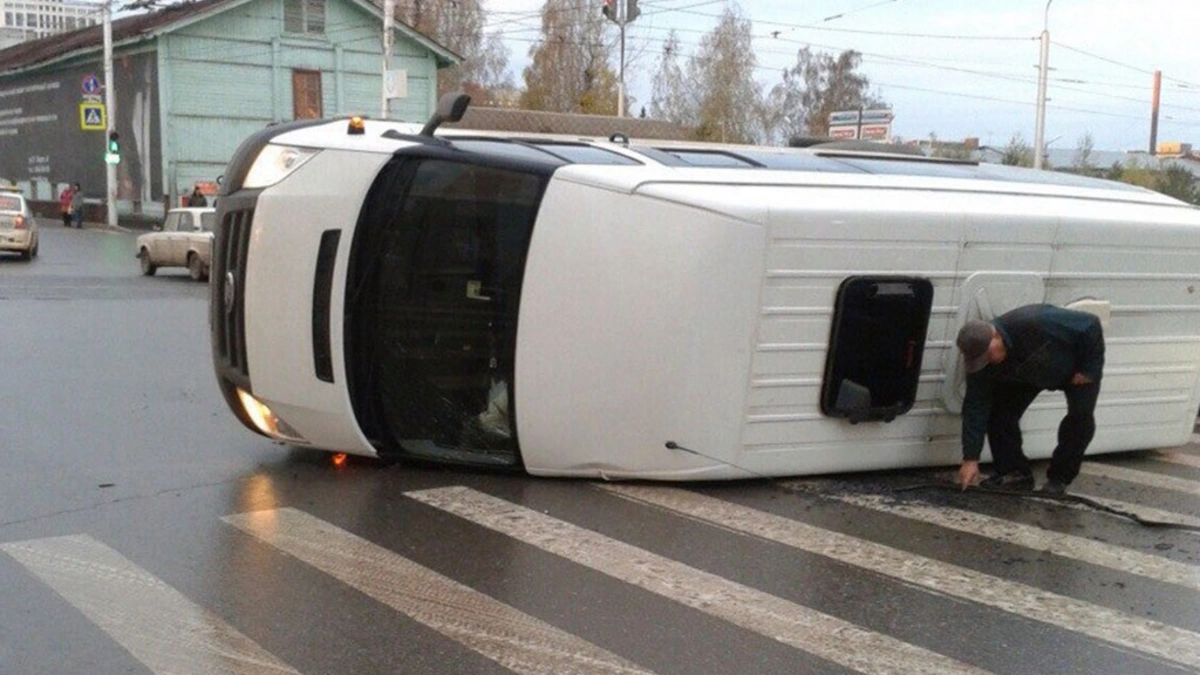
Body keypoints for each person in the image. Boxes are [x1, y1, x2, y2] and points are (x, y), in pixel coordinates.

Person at [955, 304, 1104, 495]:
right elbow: (975, 407)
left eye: (988, 355)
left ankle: (1059, 478)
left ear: (996, 336)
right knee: (1000, 414)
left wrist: (1089, 368)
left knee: (1079, 418)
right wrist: (970, 459)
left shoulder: (1034, 321)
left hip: (1075, 369)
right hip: (1027, 373)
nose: (987, 362)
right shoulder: (981, 365)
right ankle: (1014, 472)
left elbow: (1090, 324)